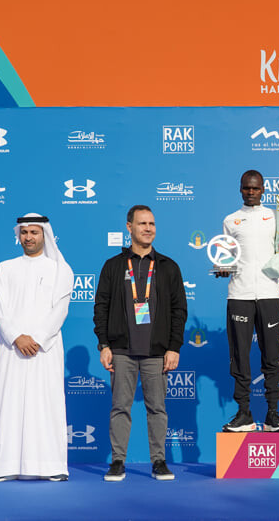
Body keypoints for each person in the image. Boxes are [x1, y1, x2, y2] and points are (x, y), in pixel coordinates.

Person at [94, 205, 187, 482]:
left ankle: (158, 461)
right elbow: (101, 307)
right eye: (142, 223)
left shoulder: (168, 266)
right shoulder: (113, 265)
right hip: (121, 350)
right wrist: (104, 344)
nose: (148, 228)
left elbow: (179, 310)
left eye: (152, 224)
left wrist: (174, 347)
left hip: (156, 352)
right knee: (120, 407)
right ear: (129, 227)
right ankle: (117, 462)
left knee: (157, 409)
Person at [0, 214, 74, 483]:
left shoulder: (60, 269)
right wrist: (16, 337)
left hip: (45, 350)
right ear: (18, 235)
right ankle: (5, 466)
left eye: (34, 232)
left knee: (46, 404)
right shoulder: (5, 268)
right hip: (11, 349)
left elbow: (60, 310)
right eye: (24, 232)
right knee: (9, 404)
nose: (29, 237)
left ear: (45, 234)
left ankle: (52, 465)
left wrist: (38, 338)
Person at [220, 170, 279, 433]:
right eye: (246, 188)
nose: (251, 192)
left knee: (272, 357)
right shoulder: (230, 220)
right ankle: (244, 413)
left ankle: (273, 415)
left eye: (255, 188)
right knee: (240, 357)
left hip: (269, 294)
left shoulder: (276, 218)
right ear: (240, 189)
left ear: (263, 189)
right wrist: (223, 268)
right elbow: (226, 258)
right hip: (239, 295)